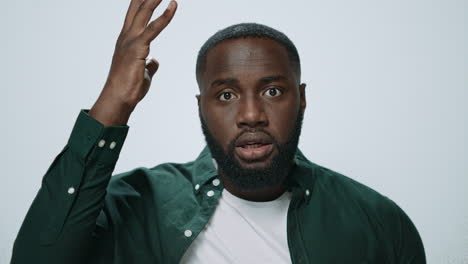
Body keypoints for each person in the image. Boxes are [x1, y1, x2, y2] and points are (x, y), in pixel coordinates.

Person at [11, 0, 426, 263]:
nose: (250, 114)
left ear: (301, 98)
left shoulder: (380, 225)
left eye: (273, 90)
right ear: (201, 107)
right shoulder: (132, 205)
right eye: (226, 95)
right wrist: (111, 107)